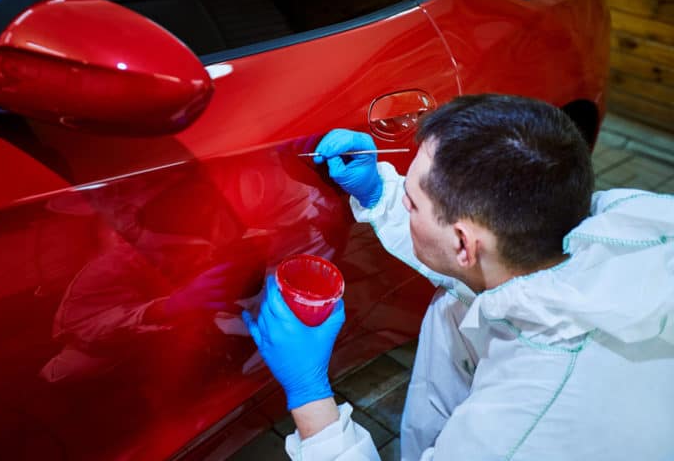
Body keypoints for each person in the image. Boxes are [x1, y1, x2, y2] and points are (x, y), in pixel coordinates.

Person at [242, 94, 674, 460]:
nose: (404, 202)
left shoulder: (519, 430)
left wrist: (310, 396)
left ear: (465, 245)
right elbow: (482, 253)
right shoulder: (622, 223)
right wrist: (382, 194)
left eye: (410, 202)